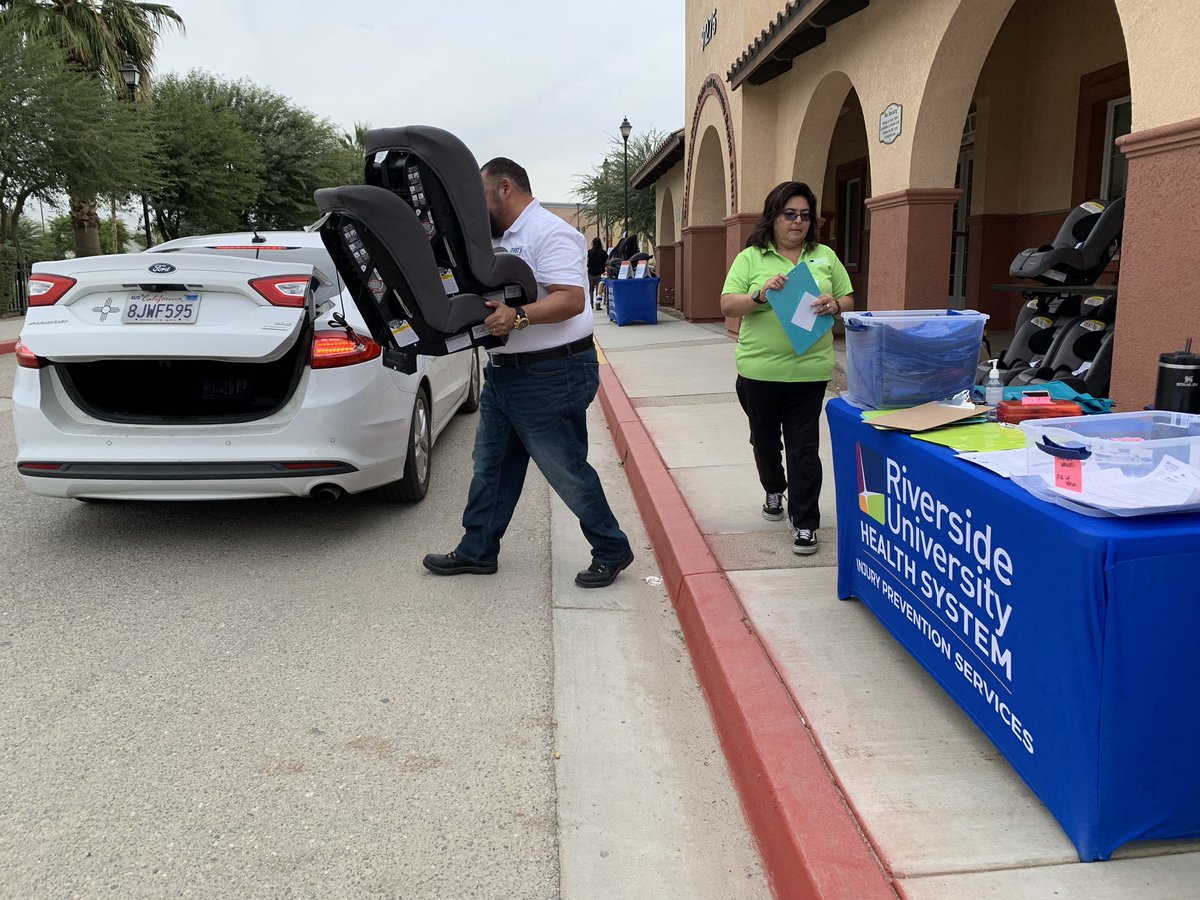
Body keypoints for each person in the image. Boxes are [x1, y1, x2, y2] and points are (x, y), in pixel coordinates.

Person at [422, 158, 634, 587]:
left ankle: (612, 548)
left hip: (553, 372)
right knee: (492, 464)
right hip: (506, 371)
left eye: (481, 195)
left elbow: (572, 299)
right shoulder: (496, 239)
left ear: (504, 187)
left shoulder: (550, 232)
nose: (476, 207)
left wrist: (517, 316)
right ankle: (478, 549)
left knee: (564, 468)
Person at [719, 181, 855, 555]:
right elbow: (728, 305)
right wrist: (760, 293)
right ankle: (773, 488)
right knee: (765, 443)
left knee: (803, 448)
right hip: (759, 371)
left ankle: (806, 521)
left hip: (809, 371)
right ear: (774, 216)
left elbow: (847, 294)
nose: (798, 222)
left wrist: (836, 305)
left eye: (805, 215)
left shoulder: (824, 255)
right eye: (790, 214)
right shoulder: (751, 257)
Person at [587, 236, 607, 309]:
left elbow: (587, 262)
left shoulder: (589, 252)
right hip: (600, 273)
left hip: (591, 273)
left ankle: (590, 305)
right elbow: (606, 262)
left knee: (590, 290)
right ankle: (597, 305)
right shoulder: (603, 253)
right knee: (599, 291)